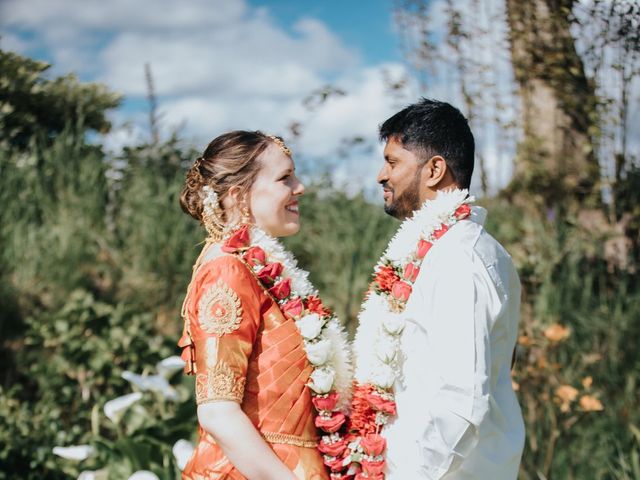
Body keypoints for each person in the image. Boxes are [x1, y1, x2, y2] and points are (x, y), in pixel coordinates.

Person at [349, 99, 525, 479]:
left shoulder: (460, 257)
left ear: (434, 170)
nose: (381, 175)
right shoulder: (441, 251)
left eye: (393, 162)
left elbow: (462, 400)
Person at [177, 131, 351, 480]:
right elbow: (217, 412)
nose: (299, 187)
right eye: (285, 178)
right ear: (239, 196)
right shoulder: (227, 270)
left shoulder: (256, 269)